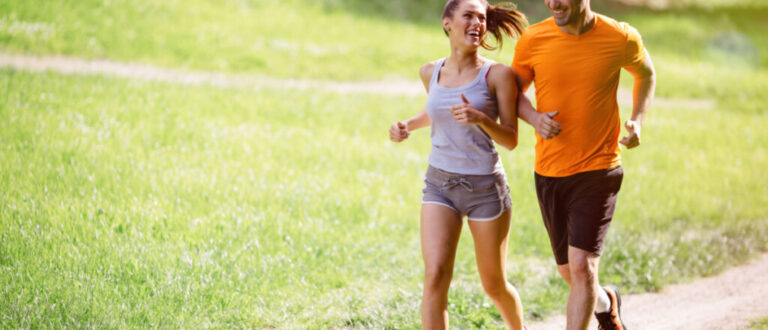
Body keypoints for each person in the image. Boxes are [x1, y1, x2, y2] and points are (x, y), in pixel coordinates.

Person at [511, 0, 656, 329]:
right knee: (570, 272)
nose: (553, 3)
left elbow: (645, 73)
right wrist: (534, 117)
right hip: (549, 170)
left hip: (599, 168)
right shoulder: (533, 39)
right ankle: (608, 303)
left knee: (581, 266)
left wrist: (637, 120)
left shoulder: (619, 37)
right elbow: (513, 91)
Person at [389, 0, 528, 328]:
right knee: (435, 275)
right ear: (447, 22)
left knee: (493, 285)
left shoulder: (498, 75)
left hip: (485, 189)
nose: (477, 23)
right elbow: (438, 110)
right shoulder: (430, 71)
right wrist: (407, 125)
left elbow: (510, 139)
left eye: (482, 18)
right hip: (440, 184)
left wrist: (481, 118)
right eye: (469, 16)